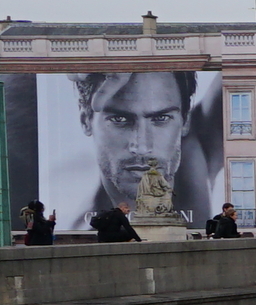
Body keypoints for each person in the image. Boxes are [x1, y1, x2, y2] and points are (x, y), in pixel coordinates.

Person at [58, 69, 216, 231]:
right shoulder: (80, 229)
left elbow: (236, 68)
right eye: (119, 119)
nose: (141, 147)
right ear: (85, 120)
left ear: (185, 120)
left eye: (161, 118)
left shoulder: (194, 154)